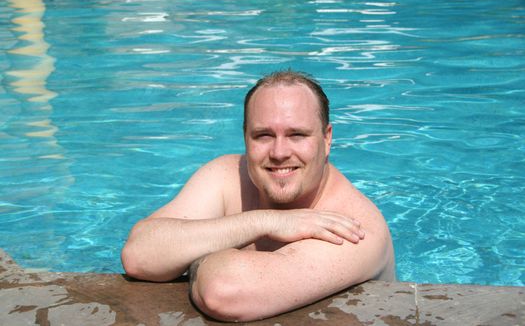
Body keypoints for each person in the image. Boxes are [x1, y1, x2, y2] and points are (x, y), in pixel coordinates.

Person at [121, 70, 396, 322]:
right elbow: (138, 254)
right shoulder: (226, 176)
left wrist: (194, 255)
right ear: (245, 138)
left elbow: (224, 291)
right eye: (263, 135)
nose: (279, 153)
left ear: (326, 139)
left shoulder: (355, 228)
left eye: (297, 134)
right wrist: (266, 222)